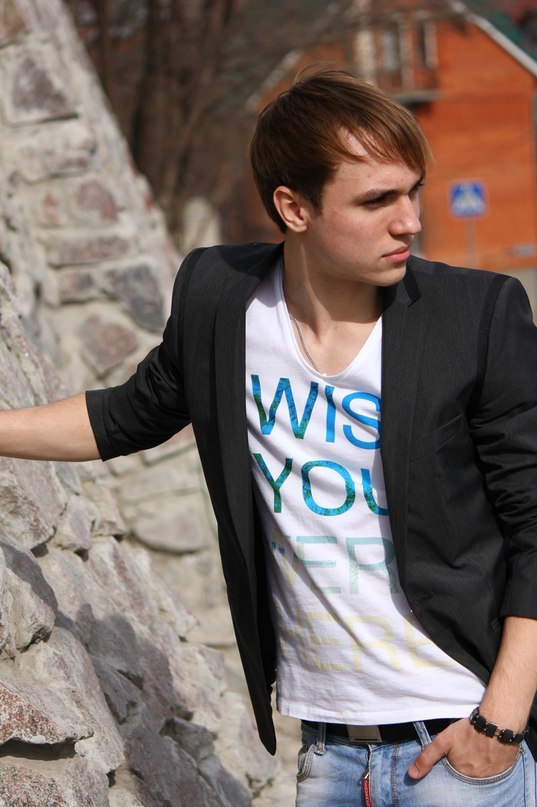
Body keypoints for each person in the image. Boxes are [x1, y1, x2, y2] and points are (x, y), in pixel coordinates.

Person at [1, 69, 536, 806]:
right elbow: (128, 415)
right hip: (326, 753)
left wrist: (499, 724)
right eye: (376, 200)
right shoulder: (222, 302)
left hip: (458, 744)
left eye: (413, 192)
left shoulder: (474, 315)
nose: (409, 220)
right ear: (293, 207)